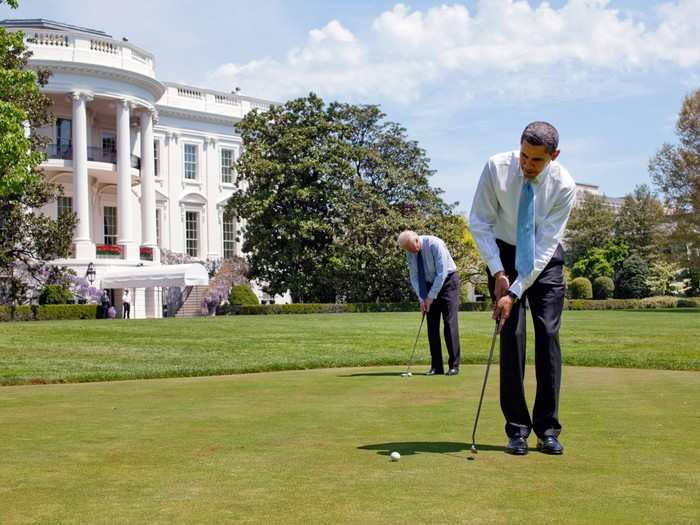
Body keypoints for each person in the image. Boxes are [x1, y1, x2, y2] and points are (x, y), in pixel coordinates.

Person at [469, 121, 576, 456]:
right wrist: (498, 270)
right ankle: (517, 430)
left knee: (547, 334)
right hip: (503, 252)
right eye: (524, 156)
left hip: (544, 260)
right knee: (511, 337)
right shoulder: (496, 167)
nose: (527, 165)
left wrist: (515, 291)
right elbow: (480, 222)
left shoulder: (564, 186)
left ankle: (547, 429)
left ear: (553, 156)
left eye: (537, 161)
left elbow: (545, 246)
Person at [398, 230, 461, 376]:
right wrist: (422, 298)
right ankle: (436, 367)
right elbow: (414, 276)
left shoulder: (435, 244)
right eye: (407, 250)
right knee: (432, 326)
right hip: (427, 285)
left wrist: (430, 296)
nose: (411, 251)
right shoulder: (410, 250)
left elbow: (442, 273)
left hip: (447, 283)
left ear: (416, 240)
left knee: (449, 324)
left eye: (411, 248)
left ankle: (454, 366)